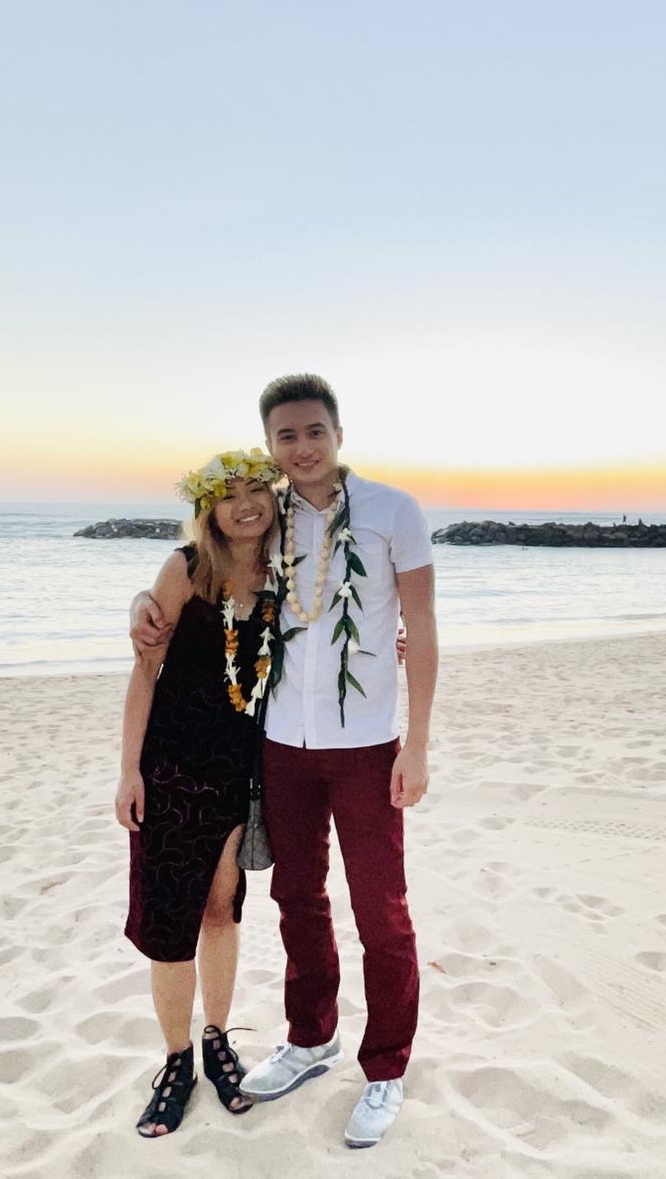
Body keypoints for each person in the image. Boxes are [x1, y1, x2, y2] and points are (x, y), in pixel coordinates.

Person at [130, 374, 438, 1150]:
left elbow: (423, 625)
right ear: (272, 448)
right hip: (279, 753)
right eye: (286, 438)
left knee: (383, 914)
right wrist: (143, 600)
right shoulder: (271, 528)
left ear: (338, 433)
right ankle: (310, 1037)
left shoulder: (394, 513)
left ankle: (386, 1069)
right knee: (297, 901)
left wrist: (420, 741)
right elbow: (208, 570)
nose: (301, 449)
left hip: (367, 746)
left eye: (314, 432)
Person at [115, 449, 279, 1138]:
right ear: (207, 507)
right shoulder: (187, 569)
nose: (246, 505)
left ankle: (217, 1039)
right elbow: (145, 670)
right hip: (173, 770)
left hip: (241, 771)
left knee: (221, 909)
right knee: (168, 921)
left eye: (257, 492)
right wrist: (128, 771)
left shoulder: (289, 574)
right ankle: (177, 1058)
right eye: (229, 495)